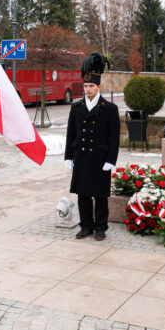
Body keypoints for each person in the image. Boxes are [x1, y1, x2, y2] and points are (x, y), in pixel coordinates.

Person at [64, 53, 119, 241]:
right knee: (83, 193)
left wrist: (111, 160)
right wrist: (68, 156)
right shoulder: (76, 107)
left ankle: (100, 227)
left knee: (100, 195)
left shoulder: (109, 108)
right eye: (85, 86)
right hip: (81, 156)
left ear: (99, 87)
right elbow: (71, 133)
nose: (88, 90)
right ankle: (86, 225)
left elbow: (114, 137)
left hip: (100, 158)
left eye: (91, 86)